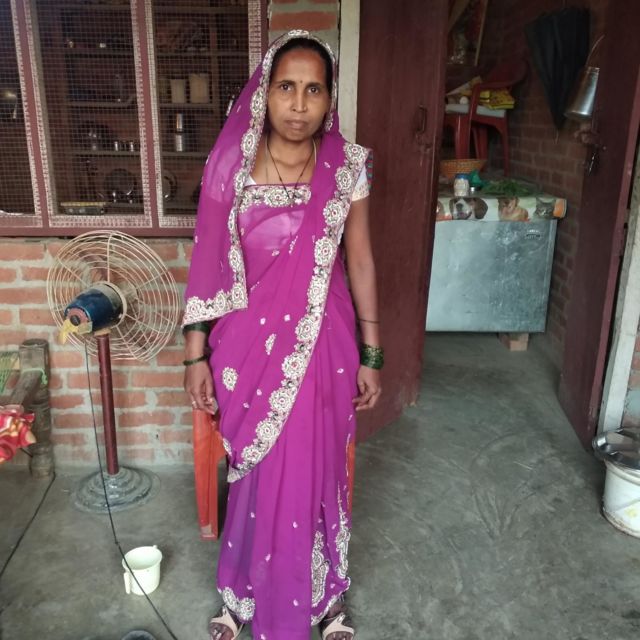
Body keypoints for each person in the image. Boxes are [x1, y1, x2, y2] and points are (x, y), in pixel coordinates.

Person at [182, 30, 383, 640]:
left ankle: (326, 597)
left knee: (318, 468)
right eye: (286, 87)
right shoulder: (229, 165)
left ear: (329, 98)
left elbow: (360, 260)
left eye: (313, 90)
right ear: (264, 93)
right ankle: (241, 591)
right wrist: (195, 355)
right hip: (245, 349)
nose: (299, 104)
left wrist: (373, 353)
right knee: (257, 471)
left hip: (325, 343)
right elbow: (206, 262)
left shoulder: (347, 167)